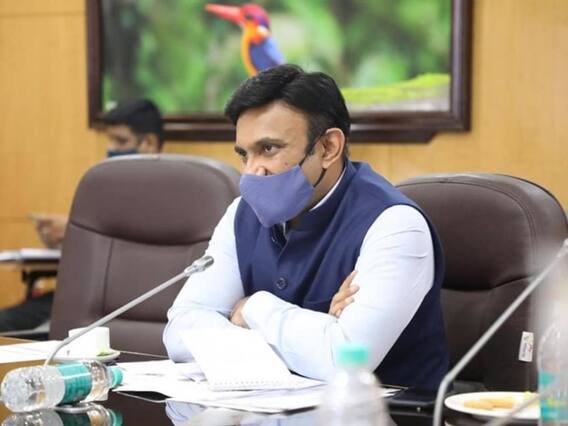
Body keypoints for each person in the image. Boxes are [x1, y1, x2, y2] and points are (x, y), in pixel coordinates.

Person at [163, 64, 448, 390]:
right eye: (244, 155)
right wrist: (318, 331)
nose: (253, 172)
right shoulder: (242, 214)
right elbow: (181, 332)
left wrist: (251, 309)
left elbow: (345, 360)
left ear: (328, 148)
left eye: (268, 149)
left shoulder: (395, 225)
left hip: (386, 412)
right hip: (269, 409)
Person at [0, 99, 164, 332]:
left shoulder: (167, 192)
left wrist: (73, 231)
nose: (111, 149)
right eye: (110, 141)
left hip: (120, 301)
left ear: (149, 143)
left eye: (121, 141)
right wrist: (60, 239)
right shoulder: (108, 187)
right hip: (84, 294)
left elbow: (137, 252)